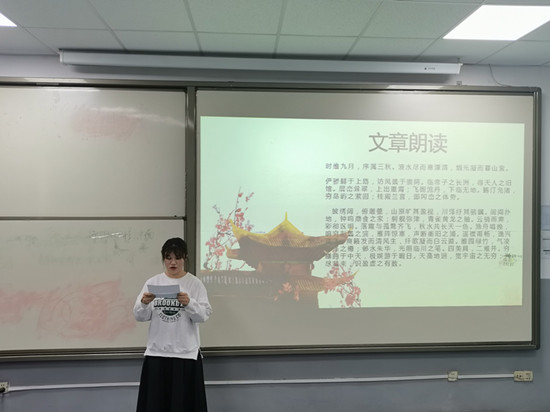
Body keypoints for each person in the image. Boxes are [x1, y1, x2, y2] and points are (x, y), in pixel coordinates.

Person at [134, 237, 212, 412]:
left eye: (178, 257)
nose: (173, 262)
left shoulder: (194, 283)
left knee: (183, 405)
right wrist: (144, 302)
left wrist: (189, 303)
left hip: (185, 355)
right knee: (155, 405)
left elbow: (203, 315)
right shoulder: (153, 282)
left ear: (185, 258)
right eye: (168, 258)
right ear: (163, 259)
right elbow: (139, 316)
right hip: (157, 353)